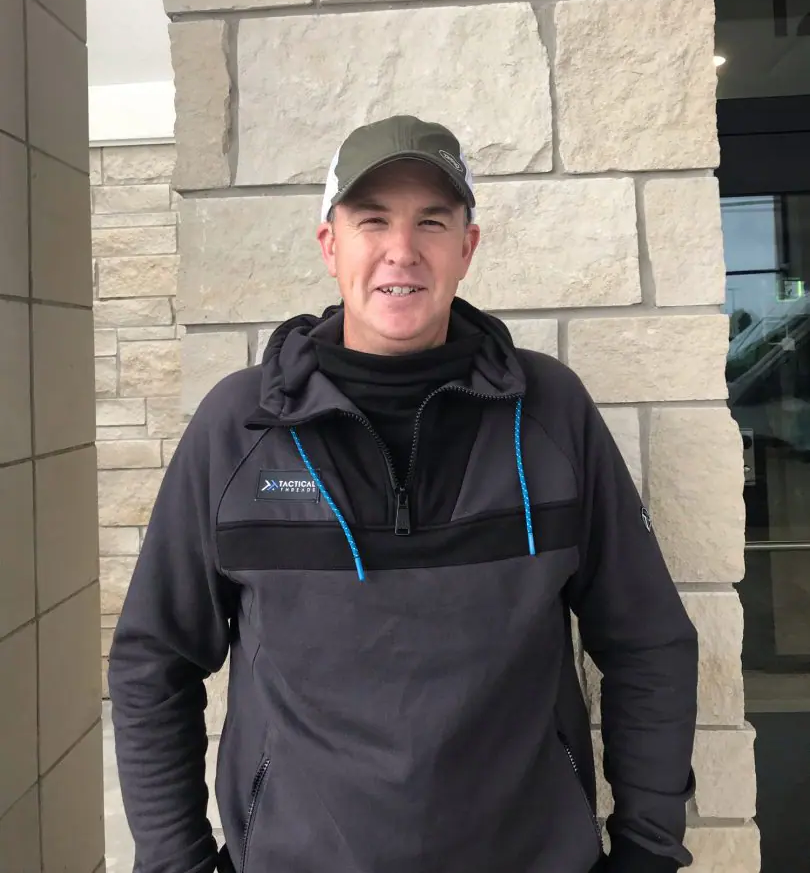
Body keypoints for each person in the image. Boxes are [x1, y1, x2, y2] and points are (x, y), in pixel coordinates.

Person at [108, 115, 698, 873]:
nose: (402, 250)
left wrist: (647, 849)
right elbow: (154, 661)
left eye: (431, 222)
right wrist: (176, 863)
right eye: (373, 221)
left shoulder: (551, 413)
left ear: (467, 247)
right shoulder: (240, 427)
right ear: (330, 244)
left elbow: (648, 638)